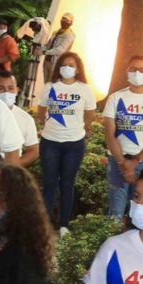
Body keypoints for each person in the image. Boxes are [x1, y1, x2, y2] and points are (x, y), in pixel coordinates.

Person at [101, 54, 143, 218]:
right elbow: (109, 135)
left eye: (142, 70)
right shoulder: (115, 98)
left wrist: (135, 161)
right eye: (133, 69)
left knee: (140, 211)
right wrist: (122, 163)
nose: (137, 73)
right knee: (115, 212)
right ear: (127, 71)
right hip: (118, 160)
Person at [37, 52, 98, 231]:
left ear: (77, 69)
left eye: (72, 65)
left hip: (74, 144)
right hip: (50, 142)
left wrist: (80, 128)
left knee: (67, 183)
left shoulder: (84, 89)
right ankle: (45, 224)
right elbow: (41, 111)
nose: (68, 68)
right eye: (64, 64)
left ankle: (64, 224)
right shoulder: (50, 86)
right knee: (49, 183)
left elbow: (90, 114)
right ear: (58, 67)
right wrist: (47, 124)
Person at [0, 69, 39, 170]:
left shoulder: (26, 119)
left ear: (17, 90)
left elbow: (33, 151)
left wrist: (13, 166)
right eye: (1, 88)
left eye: (10, 88)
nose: (6, 92)